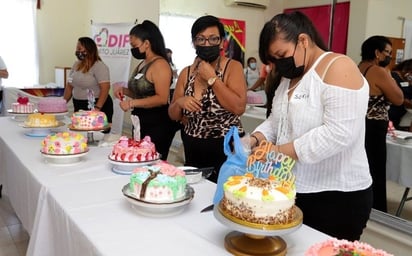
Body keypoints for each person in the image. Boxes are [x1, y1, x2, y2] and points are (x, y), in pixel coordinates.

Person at [249, 11, 373, 241]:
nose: (278, 64)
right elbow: (277, 121)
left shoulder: (337, 67)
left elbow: (338, 134)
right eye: (273, 59)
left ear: (303, 41)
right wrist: (253, 139)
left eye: (281, 55)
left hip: (336, 197)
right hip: (294, 188)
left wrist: (277, 151)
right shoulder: (290, 77)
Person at [168, 15, 247, 183]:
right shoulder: (186, 72)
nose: (207, 44)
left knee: (225, 197)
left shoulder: (232, 67)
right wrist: (180, 102)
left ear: (221, 42)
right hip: (193, 145)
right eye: (201, 39)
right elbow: (173, 115)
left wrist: (212, 79)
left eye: (213, 39)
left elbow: (239, 107)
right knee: (195, 193)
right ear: (194, 42)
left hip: (226, 146)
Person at [114, 20, 177, 161]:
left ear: (147, 43)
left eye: (135, 45)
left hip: (157, 123)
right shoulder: (143, 63)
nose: (133, 49)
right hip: (140, 120)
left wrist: (131, 104)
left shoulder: (160, 64)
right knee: (138, 159)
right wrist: (124, 91)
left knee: (152, 163)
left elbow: (161, 98)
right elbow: (141, 92)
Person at [358, 35, 403, 213]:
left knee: (363, 167)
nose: (390, 57)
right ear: (377, 53)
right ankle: (376, 210)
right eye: (387, 53)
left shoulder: (359, 68)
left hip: (360, 125)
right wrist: (390, 77)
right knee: (375, 170)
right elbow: (398, 99)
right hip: (374, 127)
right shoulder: (378, 71)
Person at [64, 37, 113, 125]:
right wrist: (62, 103)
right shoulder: (76, 64)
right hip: (79, 105)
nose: (77, 51)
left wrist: (97, 108)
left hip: (95, 106)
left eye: (79, 48)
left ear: (89, 49)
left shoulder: (99, 66)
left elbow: (105, 88)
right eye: (76, 48)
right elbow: (69, 86)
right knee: (80, 134)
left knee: (97, 136)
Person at [388, 59, 412, 130]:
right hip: (391, 111)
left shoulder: (408, 80)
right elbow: (393, 94)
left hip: (401, 114)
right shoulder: (394, 76)